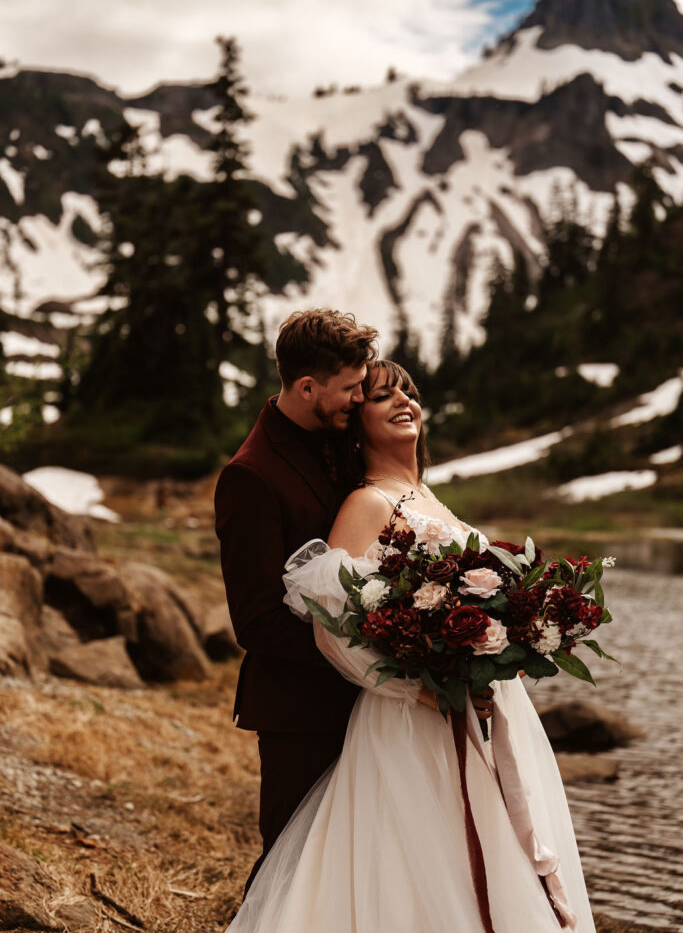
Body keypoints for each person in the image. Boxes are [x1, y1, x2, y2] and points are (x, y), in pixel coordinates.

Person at [224, 359, 596, 932]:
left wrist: (518, 632)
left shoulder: (426, 496)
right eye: (381, 396)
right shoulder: (367, 503)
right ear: (356, 421)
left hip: (480, 710)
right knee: (419, 867)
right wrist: (418, 689)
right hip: (415, 717)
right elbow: (333, 625)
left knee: (494, 857)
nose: (404, 402)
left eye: (410, 392)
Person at [214, 309, 379, 892]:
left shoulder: (342, 439)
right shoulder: (250, 477)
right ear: (306, 387)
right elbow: (256, 621)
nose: (359, 398)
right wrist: (367, 653)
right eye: (350, 387)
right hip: (298, 709)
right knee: (290, 866)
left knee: (357, 863)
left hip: (368, 705)